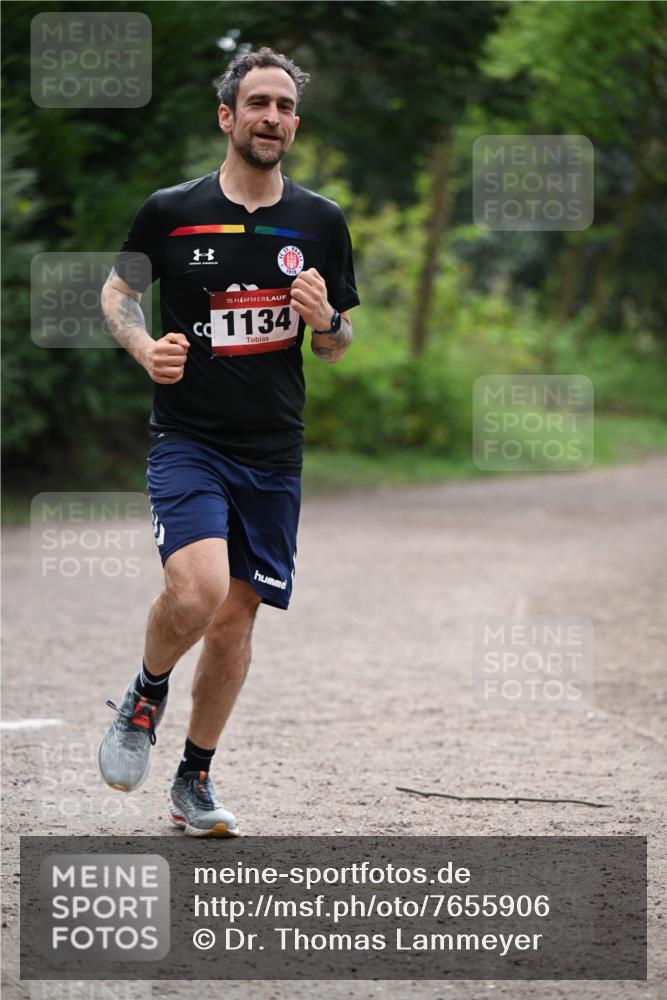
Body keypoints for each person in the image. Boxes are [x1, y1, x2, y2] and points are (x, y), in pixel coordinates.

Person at [97, 48, 360, 836]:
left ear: (294, 124)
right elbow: (118, 292)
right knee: (198, 591)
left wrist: (326, 320)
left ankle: (194, 780)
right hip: (190, 439)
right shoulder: (170, 211)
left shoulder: (320, 221)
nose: (271, 117)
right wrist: (144, 347)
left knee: (236, 619)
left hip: (273, 452)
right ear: (227, 116)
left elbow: (336, 345)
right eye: (257, 103)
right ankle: (145, 693)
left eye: (284, 106)